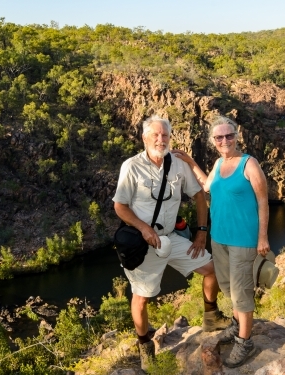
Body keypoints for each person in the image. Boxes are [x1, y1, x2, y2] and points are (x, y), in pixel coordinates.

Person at [112, 115, 230, 370]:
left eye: (165, 135)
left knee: (212, 270)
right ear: (144, 137)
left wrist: (201, 232)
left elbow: (199, 195)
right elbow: (119, 206)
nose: (160, 139)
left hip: (172, 238)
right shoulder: (131, 167)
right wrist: (143, 229)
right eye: (155, 134)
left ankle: (211, 316)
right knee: (141, 298)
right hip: (143, 243)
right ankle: (144, 346)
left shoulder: (177, 164)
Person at [174, 115, 270, 368]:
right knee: (228, 287)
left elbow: (263, 201)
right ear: (213, 141)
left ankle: (244, 341)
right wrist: (190, 161)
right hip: (219, 239)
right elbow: (207, 186)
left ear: (237, 136)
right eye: (219, 137)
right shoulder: (218, 163)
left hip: (243, 241)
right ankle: (238, 326)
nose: (225, 140)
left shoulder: (249, 164)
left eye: (229, 135)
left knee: (241, 292)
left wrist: (262, 237)